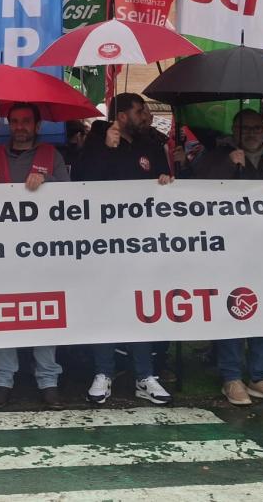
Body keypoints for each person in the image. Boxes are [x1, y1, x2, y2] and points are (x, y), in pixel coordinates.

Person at [194, 108, 263, 406]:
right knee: (232, 307)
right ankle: (231, 376)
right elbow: (196, 191)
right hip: (229, 249)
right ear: (234, 130)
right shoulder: (215, 156)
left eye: (255, 128)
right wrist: (229, 165)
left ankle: (261, 376)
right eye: (244, 128)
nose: (250, 133)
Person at [78, 93, 173, 407]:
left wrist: (166, 179)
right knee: (106, 303)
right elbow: (82, 182)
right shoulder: (96, 143)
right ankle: (103, 371)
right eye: (139, 110)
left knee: (141, 305)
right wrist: (107, 149)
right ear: (121, 116)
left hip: (142, 242)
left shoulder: (152, 145)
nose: (146, 115)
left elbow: (165, 183)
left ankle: (144, 375)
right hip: (104, 242)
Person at [0, 103, 68, 411]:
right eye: (14, 121)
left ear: (37, 126)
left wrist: (48, 183)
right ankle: (3, 379)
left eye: (26, 121)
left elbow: (72, 198)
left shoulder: (52, 156)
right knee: (2, 311)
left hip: (42, 249)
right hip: (1, 250)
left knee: (45, 310)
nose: (20, 127)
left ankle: (48, 380)